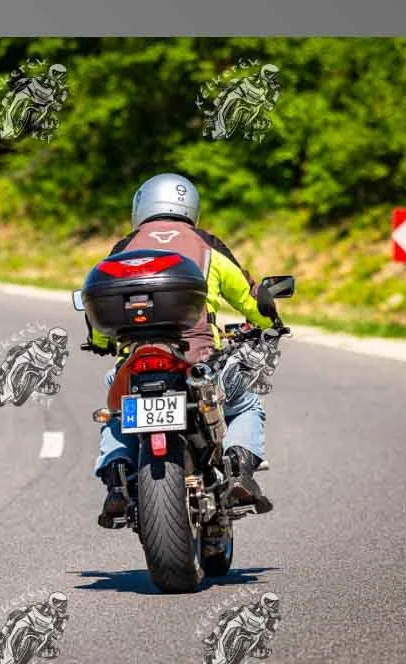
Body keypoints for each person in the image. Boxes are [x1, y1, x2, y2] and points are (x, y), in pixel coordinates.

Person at [82, 173, 283, 528]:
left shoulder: (124, 249)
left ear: (141, 207)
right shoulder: (207, 246)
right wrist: (271, 322)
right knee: (245, 403)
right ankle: (239, 473)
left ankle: (117, 484)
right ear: (190, 206)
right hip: (199, 360)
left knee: (116, 412)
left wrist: (100, 343)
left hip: (137, 361)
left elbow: (103, 300)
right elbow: (249, 299)